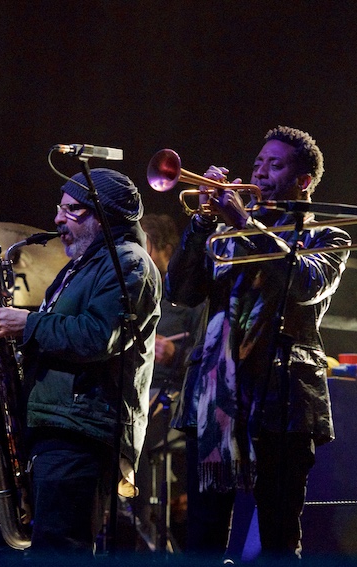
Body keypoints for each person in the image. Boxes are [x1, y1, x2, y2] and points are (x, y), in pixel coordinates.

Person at [165, 126, 350, 561]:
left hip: (282, 400)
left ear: (304, 180)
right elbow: (180, 290)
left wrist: (245, 225)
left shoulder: (328, 236)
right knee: (204, 535)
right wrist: (202, 222)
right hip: (216, 400)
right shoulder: (223, 233)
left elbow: (305, 284)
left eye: (276, 164)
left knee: (279, 537)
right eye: (257, 164)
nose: (261, 173)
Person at [0, 168, 161, 556]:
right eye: (59, 208)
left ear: (102, 216)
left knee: (60, 549)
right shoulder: (85, 263)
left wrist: (28, 324)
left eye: (70, 210)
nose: (57, 220)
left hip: (81, 430)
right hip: (59, 426)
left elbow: (98, 336)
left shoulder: (128, 264)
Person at [134, 213, 205, 551]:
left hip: (172, 390)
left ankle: (142, 517)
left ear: (160, 247)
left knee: (140, 428)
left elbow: (202, 348)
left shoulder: (188, 293)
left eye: (141, 242)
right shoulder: (140, 287)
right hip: (138, 385)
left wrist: (174, 351)